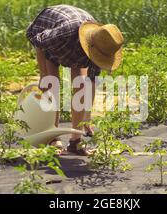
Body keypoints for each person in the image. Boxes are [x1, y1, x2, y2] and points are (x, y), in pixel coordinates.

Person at [26, 4, 124, 156]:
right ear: (89, 45)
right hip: (49, 37)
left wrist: (87, 119)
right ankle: (52, 138)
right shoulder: (66, 32)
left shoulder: (101, 47)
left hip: (72, 50)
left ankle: (75, 142)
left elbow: (90, 82)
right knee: (52, 85)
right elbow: (39, 41)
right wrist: (44, 73)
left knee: (82, 86)